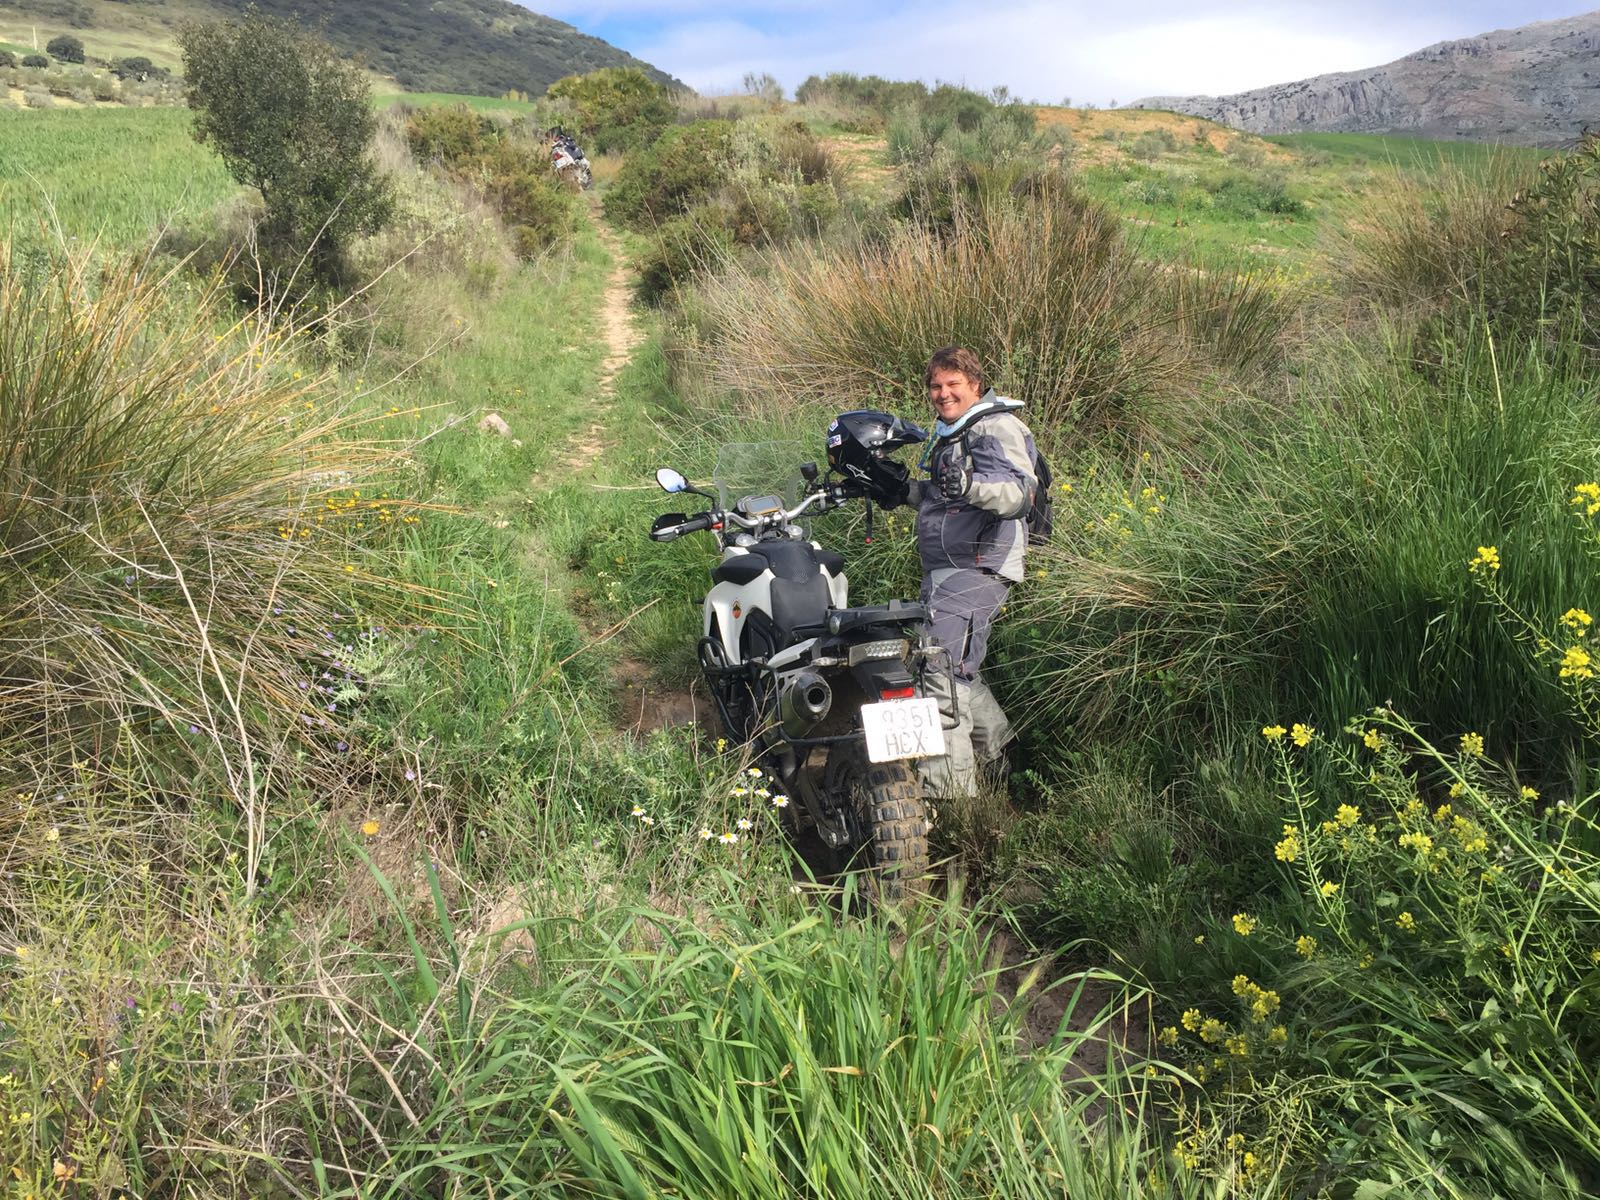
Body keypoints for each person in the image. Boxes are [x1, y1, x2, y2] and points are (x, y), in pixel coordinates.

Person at [904, 346, 1037, 799]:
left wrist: (970, 485)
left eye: (953, 384)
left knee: (937, 671)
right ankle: (1004, 762)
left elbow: (1018, 495)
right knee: (956, 669)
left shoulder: (995, 426)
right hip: (950, 569)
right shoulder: (954, 433)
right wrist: (898, 489)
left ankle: (951, 800)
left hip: (979, 564)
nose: (943, 393)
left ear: (975, 386)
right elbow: (944, 499)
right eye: (935, 386)